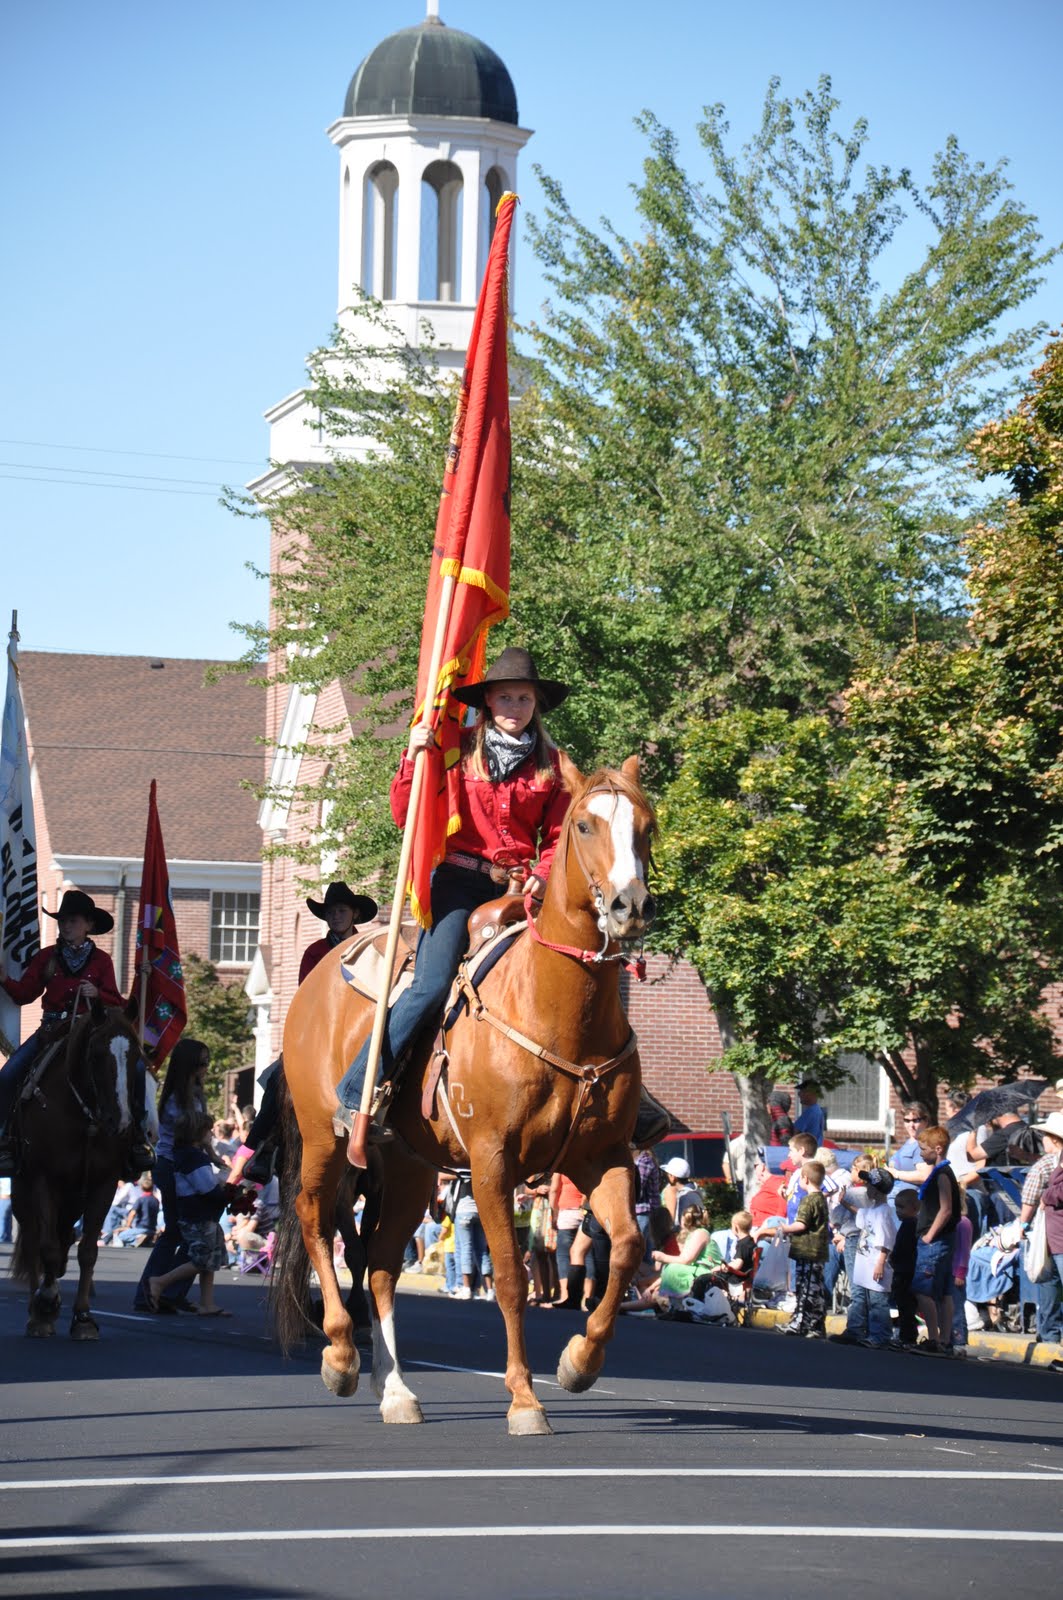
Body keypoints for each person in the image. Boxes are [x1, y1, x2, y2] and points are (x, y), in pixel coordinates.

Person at [334, 647, 572, 1151]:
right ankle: (360, 1092)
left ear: (536, 705)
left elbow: (557, 837)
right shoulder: (457, 751)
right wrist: (413, 755)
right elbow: (408, 816)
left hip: (518, 891)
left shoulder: (555, 767)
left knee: (577, 964)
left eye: (524, 698)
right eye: (505, 696)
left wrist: (546, 874)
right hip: (458, 884)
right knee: (432, 984)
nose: (514, 705)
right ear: (487, 702)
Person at [0, 889, 152, 1175]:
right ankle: (5, 1140)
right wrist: (5, 980)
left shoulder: (102, 961)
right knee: (7, 1076)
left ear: (88, 925)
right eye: (63, 921)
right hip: (51, 1031)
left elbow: (118, 1003)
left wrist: (99, 994)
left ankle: (138, 1137)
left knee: (139, 1068)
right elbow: (24, 994)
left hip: (91, 1033)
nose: (66, 926)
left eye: (73, 921)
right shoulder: (47, 957)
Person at [134, 1037, 211, 1313]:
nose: (205, 1068)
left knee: (188, 1232)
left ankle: (168, 1292)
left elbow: (201, 1135)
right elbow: (189, 1133)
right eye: (201, 1063)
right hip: (173, 1164)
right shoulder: (176, 1099)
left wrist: (213, 1157)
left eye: (207, 1062)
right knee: (180, 1232)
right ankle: (151, 1291)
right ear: (189, 1064)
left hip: (187, 1162)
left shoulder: (196, 1092)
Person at [147, 1110, 231, 1316]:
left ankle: (207, 1303)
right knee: (202, 1260)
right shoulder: (194, 1159)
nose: (211, 1134)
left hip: (197, 1214)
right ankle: (159, 1282)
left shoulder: (185, 1156)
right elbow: (206, 1188)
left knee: (209, 1257)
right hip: (198, 1215)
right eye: (208, 1131)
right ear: (197, 1133)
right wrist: (228, 1192)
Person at [831, 1168, 897, 1348]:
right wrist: (844, 1202)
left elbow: (886, 1240)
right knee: (870, 1298)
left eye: (868, 1185)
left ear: (875, 1190)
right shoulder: (873, 1209)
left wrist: (881, 1263)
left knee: (878, 1301)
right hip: (867, 1263)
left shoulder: (884, 1212)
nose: (866, 1188)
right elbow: (861, 1213)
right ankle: (873, 1334)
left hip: (875, 1263)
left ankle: (881, 1335)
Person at [765, 1159, 830, 1337]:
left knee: (805, 1288)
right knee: (816, 1289)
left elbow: (801, 1225)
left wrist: (783, 1228)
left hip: (807, 1251)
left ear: (805, 1179)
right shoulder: (821, 1199)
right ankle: (816, 1325)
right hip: (817, 1252)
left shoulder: (808, 1200)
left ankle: (799, 1323)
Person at [912, 1123, 963, 1354]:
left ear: (938, 1149)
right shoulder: (941, 1172)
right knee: (943, 1292)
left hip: (935, 1242)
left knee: (924, 1290)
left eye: (924, 1149)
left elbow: (946, 1209)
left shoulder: (942, 1174)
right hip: (943, 1240)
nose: (921, 1153)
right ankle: (945, 1339)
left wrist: (929, 1236)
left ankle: (934, 1339)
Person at [1022, 1110, 1063, 1346]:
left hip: (1059, 1237)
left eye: (1046, 1135)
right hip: (1053, 1236)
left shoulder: (1050, 1163)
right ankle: (1050, 1333)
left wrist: (1046, 1196)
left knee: (1054, 1285)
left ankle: (1050, 1332)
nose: (1043, 1140)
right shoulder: (1056, 1161)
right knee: (1050, 1285)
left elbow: (1056, 1193)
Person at [298, 882, 379, 984]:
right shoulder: (314, 952)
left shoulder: (367, 949)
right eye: (330, 912)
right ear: (326, 917)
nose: (336, 916)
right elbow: (305, 992)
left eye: (342, 910)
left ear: (355, 913)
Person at [650, 1204, 722, 1301]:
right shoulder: (693, 1235)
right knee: (670, 1268)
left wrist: (663, 1257)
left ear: (684, 1220)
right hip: (701, 1271)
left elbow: (687, 1259)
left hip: (709, 1273)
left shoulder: (700, 1233)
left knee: (672, 1269)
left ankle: (675, 1302)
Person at [889, 1189, 921, 1349]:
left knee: (906, 1306)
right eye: (896, 1207)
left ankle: (907, 1336)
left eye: (901, 1207)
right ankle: (906, 1335)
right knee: (905, 1306)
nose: (898, 1211)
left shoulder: (909, 1225)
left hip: (905, 1271)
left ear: (914, 1208)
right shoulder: (910, 1224)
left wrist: (893, 1258)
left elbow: (902, 1247)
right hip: (905, 1270)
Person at [116, 1175, 160, 1247]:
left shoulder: (141, 1200)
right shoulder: (156, 1200)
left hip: (141, 1227)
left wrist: (128, 1225)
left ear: (141, 1188)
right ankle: (147, 1241)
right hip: (152, 1228)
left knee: (122, 1235)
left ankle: (137, 1240)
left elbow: (132, 1213)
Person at [660, 1157, 700, 1228]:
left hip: (679, 1233)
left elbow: (671, 1218)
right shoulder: (694, 1188)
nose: (666, 1176)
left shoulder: (671, 1190)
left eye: (668, 1174)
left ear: (673, 1177)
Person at [793, 1078, 827, 1146]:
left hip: (807, 1152)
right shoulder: (818, 1110)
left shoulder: (810, 1112)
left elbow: (795, 1133)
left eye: (802, 1091)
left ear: (811, 1093)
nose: (799, 1094)